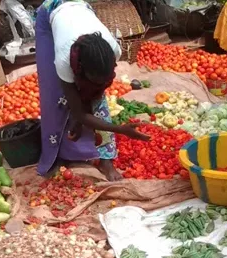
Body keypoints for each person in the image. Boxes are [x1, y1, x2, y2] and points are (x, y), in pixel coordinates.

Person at [34, 0, 150, 181]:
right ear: (81, 70)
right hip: (50, 12)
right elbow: (79, 112)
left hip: (79, 7)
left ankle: (106, 160)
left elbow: (95, 93)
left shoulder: (113, 50)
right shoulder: (64, 61)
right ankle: (57, 154)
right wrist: (120, 129)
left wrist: (91, 110)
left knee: (99, 103)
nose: (104, 82)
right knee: (55, 96)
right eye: (97, 80)